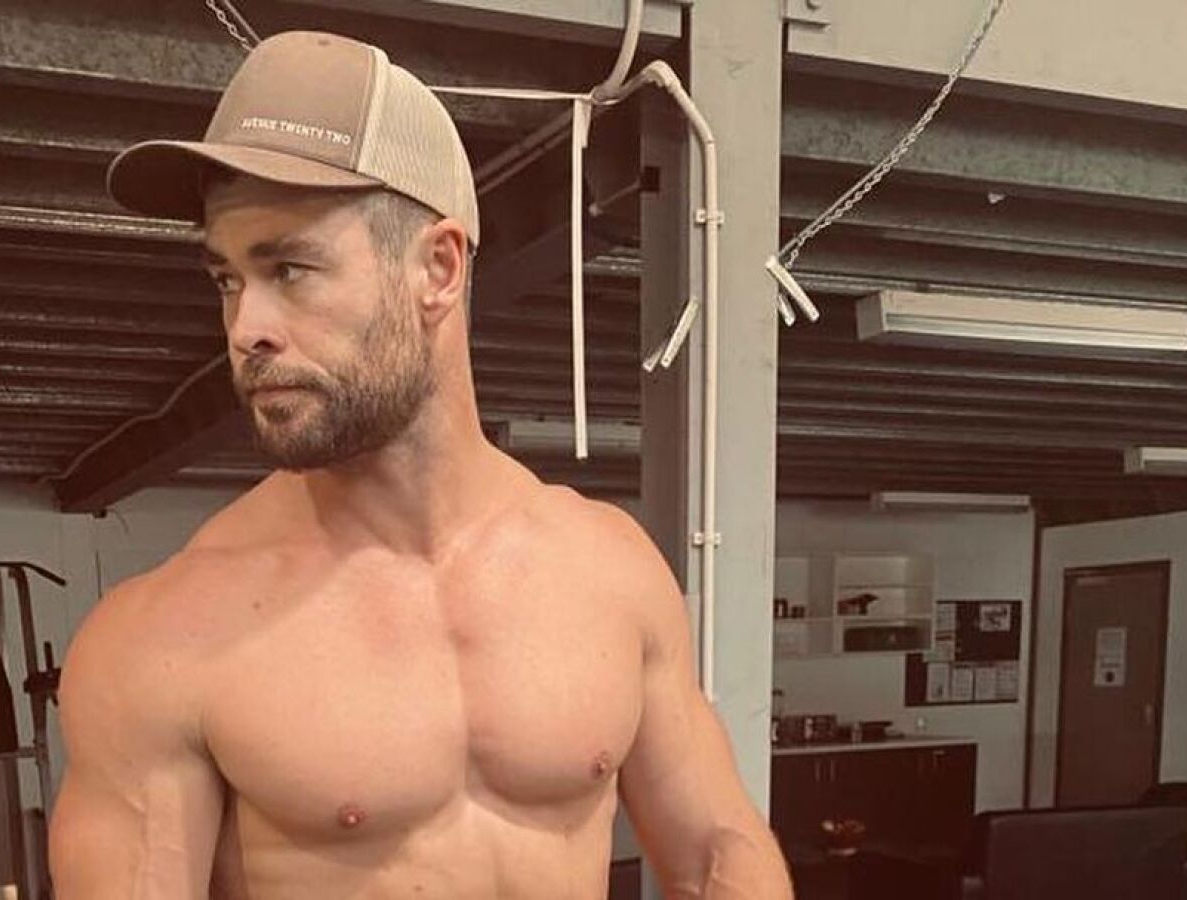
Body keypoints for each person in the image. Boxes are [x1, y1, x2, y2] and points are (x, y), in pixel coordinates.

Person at [50, 30, 793, 899]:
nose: (246, 328)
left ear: (437, 268)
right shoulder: (161, 639)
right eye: (227, 279)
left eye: (290, 269)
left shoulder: (609, 569)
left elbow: (715, 849)